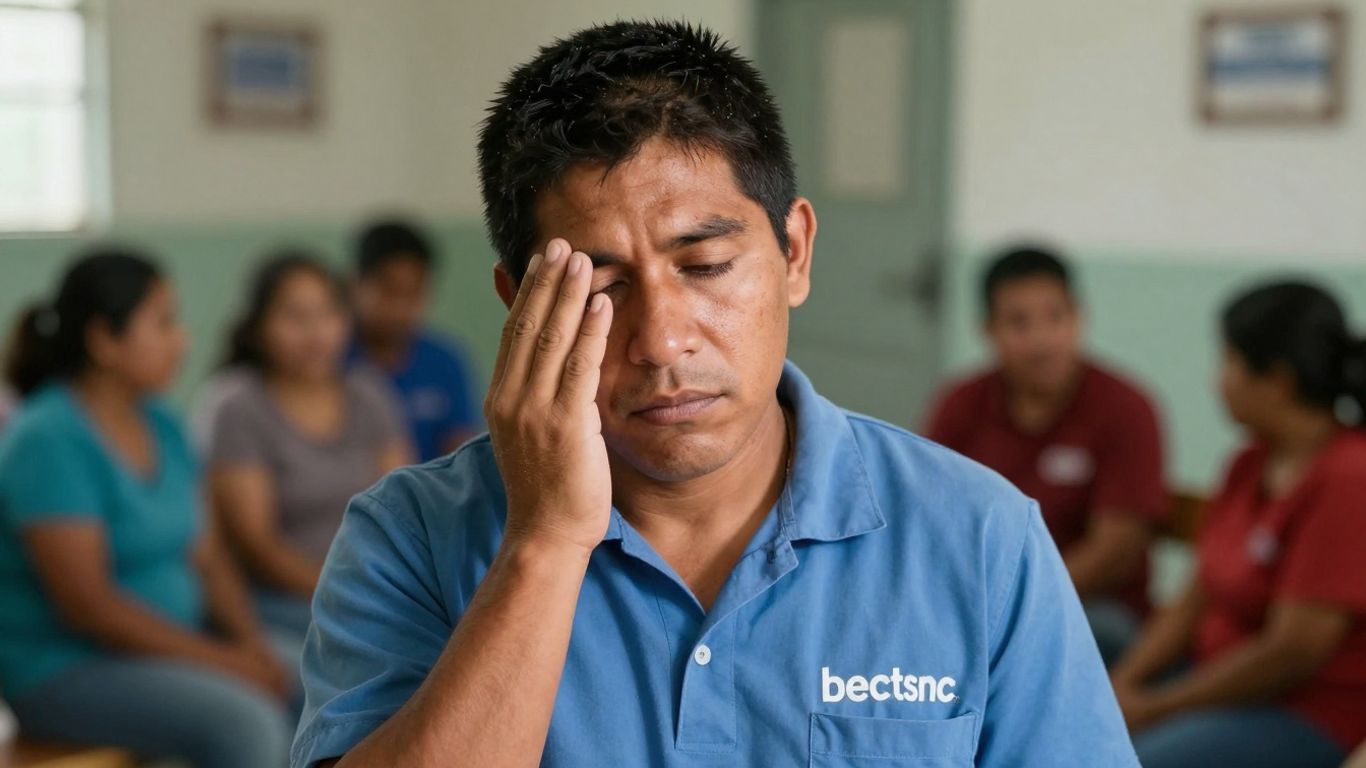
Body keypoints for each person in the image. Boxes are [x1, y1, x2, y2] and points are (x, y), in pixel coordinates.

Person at [290, 21, 1137, 768]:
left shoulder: (979, 536)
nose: (663, 341)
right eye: (604, 289)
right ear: (523, 308)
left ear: (795, 252)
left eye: (704, 266)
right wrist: (543, 544)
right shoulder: (410, 538)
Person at [0, 248, 294, 768]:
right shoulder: (48, 439)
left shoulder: (162, 422)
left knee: (317, 675)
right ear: (104, 341)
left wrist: (250, 645)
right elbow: (88, 605)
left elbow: (208, 558)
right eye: (163, 322)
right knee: (246, 724)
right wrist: (227, 662)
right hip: (66, 668)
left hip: (174, 645)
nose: (182, 339)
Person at [1115, 281, 1366, 768]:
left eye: (1228, 362)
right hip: (1216, 681)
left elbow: (1291, 652)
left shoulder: (1349, 478)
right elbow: (1194, 599)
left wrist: (1155, 708)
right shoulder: (1249, 463)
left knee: (1127, 759)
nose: (1217, 382)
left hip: (1305, 713)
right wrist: (1121, 685)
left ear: (1277, 380)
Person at [925, 246, 1167, 666]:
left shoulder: (1126, 408)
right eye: (1019, 322)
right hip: (976, 599)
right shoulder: (962, 403)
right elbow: (929, 516)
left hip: (1094, 606)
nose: (1041, 340)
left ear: (1078, 317)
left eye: (1055, 317)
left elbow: (1115, 551)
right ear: (988, 330)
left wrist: (1007, 606)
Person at [208, 252, 412, 640]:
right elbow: (258, 545)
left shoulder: (369, 394)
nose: (316, 334)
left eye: (327, 314)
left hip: (374, 593)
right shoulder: (239, 408)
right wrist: (350, 593)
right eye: (295, 318)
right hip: (283, 602)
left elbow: (402, 508)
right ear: (258, 327)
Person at [348, 219, 482, 462]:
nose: (401, 308)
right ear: (356, 283)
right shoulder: (332, 359)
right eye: (389, 291)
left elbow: (461, 454)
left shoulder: (446, 361)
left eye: (414, 293)